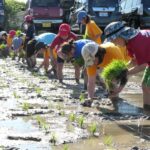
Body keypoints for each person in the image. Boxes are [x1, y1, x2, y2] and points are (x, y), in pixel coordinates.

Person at [104, 21, 150, 109]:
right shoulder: (130, 42)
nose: (114, 44)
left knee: (149, 86)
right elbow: (134, 61)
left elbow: (143, 65)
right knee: (145, 85)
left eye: (113, 40)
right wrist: (121, 70)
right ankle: (147, 110)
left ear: (121, 36)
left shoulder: (137, 42)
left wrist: (125, 73)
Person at [81, 41, 125, 106]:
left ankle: (115, 102)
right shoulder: (91, 61)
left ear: (99, 54)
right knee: (100, 78)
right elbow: (91, 81)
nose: (93, 63)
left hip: (121, 54)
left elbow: (125, 74)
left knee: (112, 82)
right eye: (90, 61)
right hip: (104, 61)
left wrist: (119, 89)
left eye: (93, 60)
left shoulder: (113, 54)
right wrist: (90, 98)